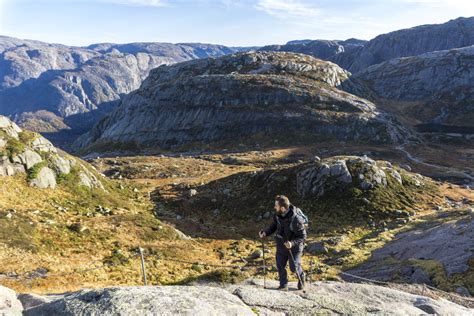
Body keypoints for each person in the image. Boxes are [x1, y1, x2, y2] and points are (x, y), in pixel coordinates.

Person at [259, 195, 306, 291]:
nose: (274, 207)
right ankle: (283, 285)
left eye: (276, 206)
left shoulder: (296, 220)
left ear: (283, 208)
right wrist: (265, 233)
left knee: (294, 267)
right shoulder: (277, 216)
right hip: (281, 245)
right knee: (280, 264)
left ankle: (302, 276)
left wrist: (292, 243)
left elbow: (302, 236)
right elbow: (273, 227)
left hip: (294, 248)